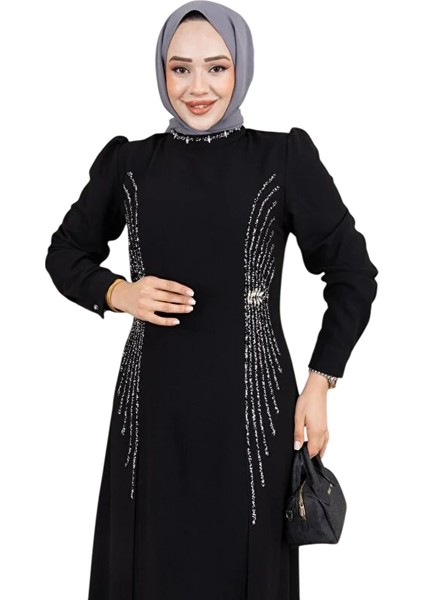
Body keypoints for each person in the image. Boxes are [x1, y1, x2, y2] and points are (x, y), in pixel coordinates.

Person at [45, 1, 379, 599]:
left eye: (217, 68)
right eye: (181, 69)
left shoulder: (282, 158)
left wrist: (320, 383)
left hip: (253, 413)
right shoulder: (131, 163)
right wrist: (118, 292)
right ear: (162, 72)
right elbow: (66, 253)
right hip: (152, 410)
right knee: (147, 564)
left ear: (240, 68)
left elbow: (353, 273)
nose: (198, 88)